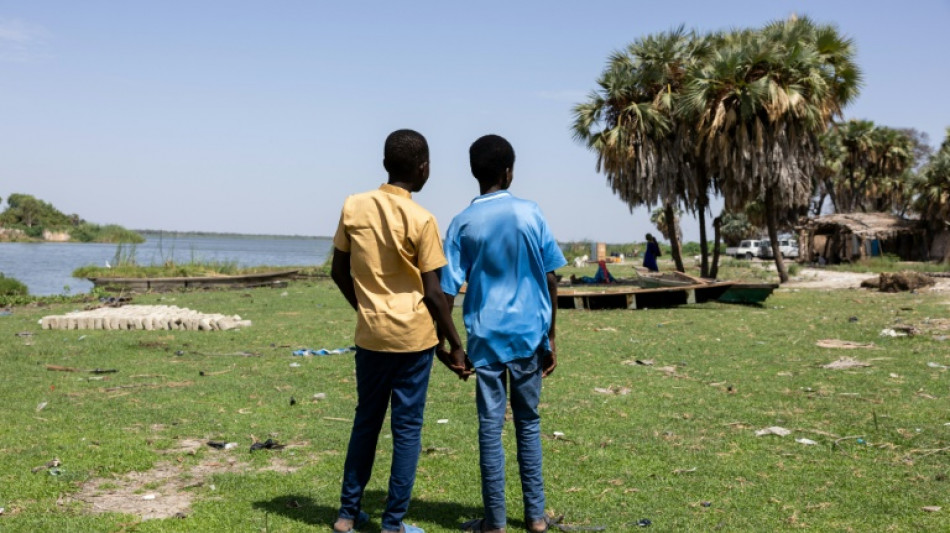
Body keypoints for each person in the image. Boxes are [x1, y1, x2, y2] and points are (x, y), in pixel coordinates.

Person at [330, 129, 469, 533]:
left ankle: (346, 514)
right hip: (414, 340)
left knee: (366, 422)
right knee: (406, 430)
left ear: (386, 164)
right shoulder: (422, 219)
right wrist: (456, 346)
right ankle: (393, 524)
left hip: (371, 335)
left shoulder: (353, 205)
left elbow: (338, 270)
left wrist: (365, 306)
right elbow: (434, 292)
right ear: (423, 168)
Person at [440, 134, 567, 533]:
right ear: (509, 171)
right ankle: (535, 518)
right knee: (528, 422)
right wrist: (551, 337)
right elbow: (550, 278)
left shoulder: (462, 222)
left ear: (474, 172)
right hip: (529, 336)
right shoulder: (531, 213)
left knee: (490, 428)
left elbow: (445, 291)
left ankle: (494, 523)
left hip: (485, 338)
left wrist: (450, 347)